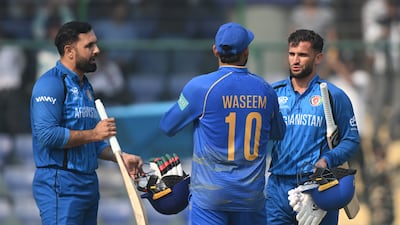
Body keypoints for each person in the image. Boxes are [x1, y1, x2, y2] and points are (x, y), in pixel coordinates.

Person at [159, 22, 286, 225]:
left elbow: (167, 125)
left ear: (215, 50)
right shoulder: (266, 90)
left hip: (210, 198)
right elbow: (279, 132)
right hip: (250, 198)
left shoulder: (199, 87)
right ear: (246, 52)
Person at [30, 21, 144, 225]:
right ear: (69, 51)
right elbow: (46, 135)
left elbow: (92, 142)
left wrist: (120, 157)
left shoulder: (86, 87)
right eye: (89, 45)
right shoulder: (50, 84)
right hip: (60, 184)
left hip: (88, 183)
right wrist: (94, 134)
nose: (97, 50)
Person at [265, 29, 360, 225]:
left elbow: (351, 139)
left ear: (318, 58)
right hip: (278, 187)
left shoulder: (334, 95)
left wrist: (327, 159)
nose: (295, 60)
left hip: (318, 186)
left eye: (302, 55)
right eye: (292, 54)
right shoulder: (273, 93)